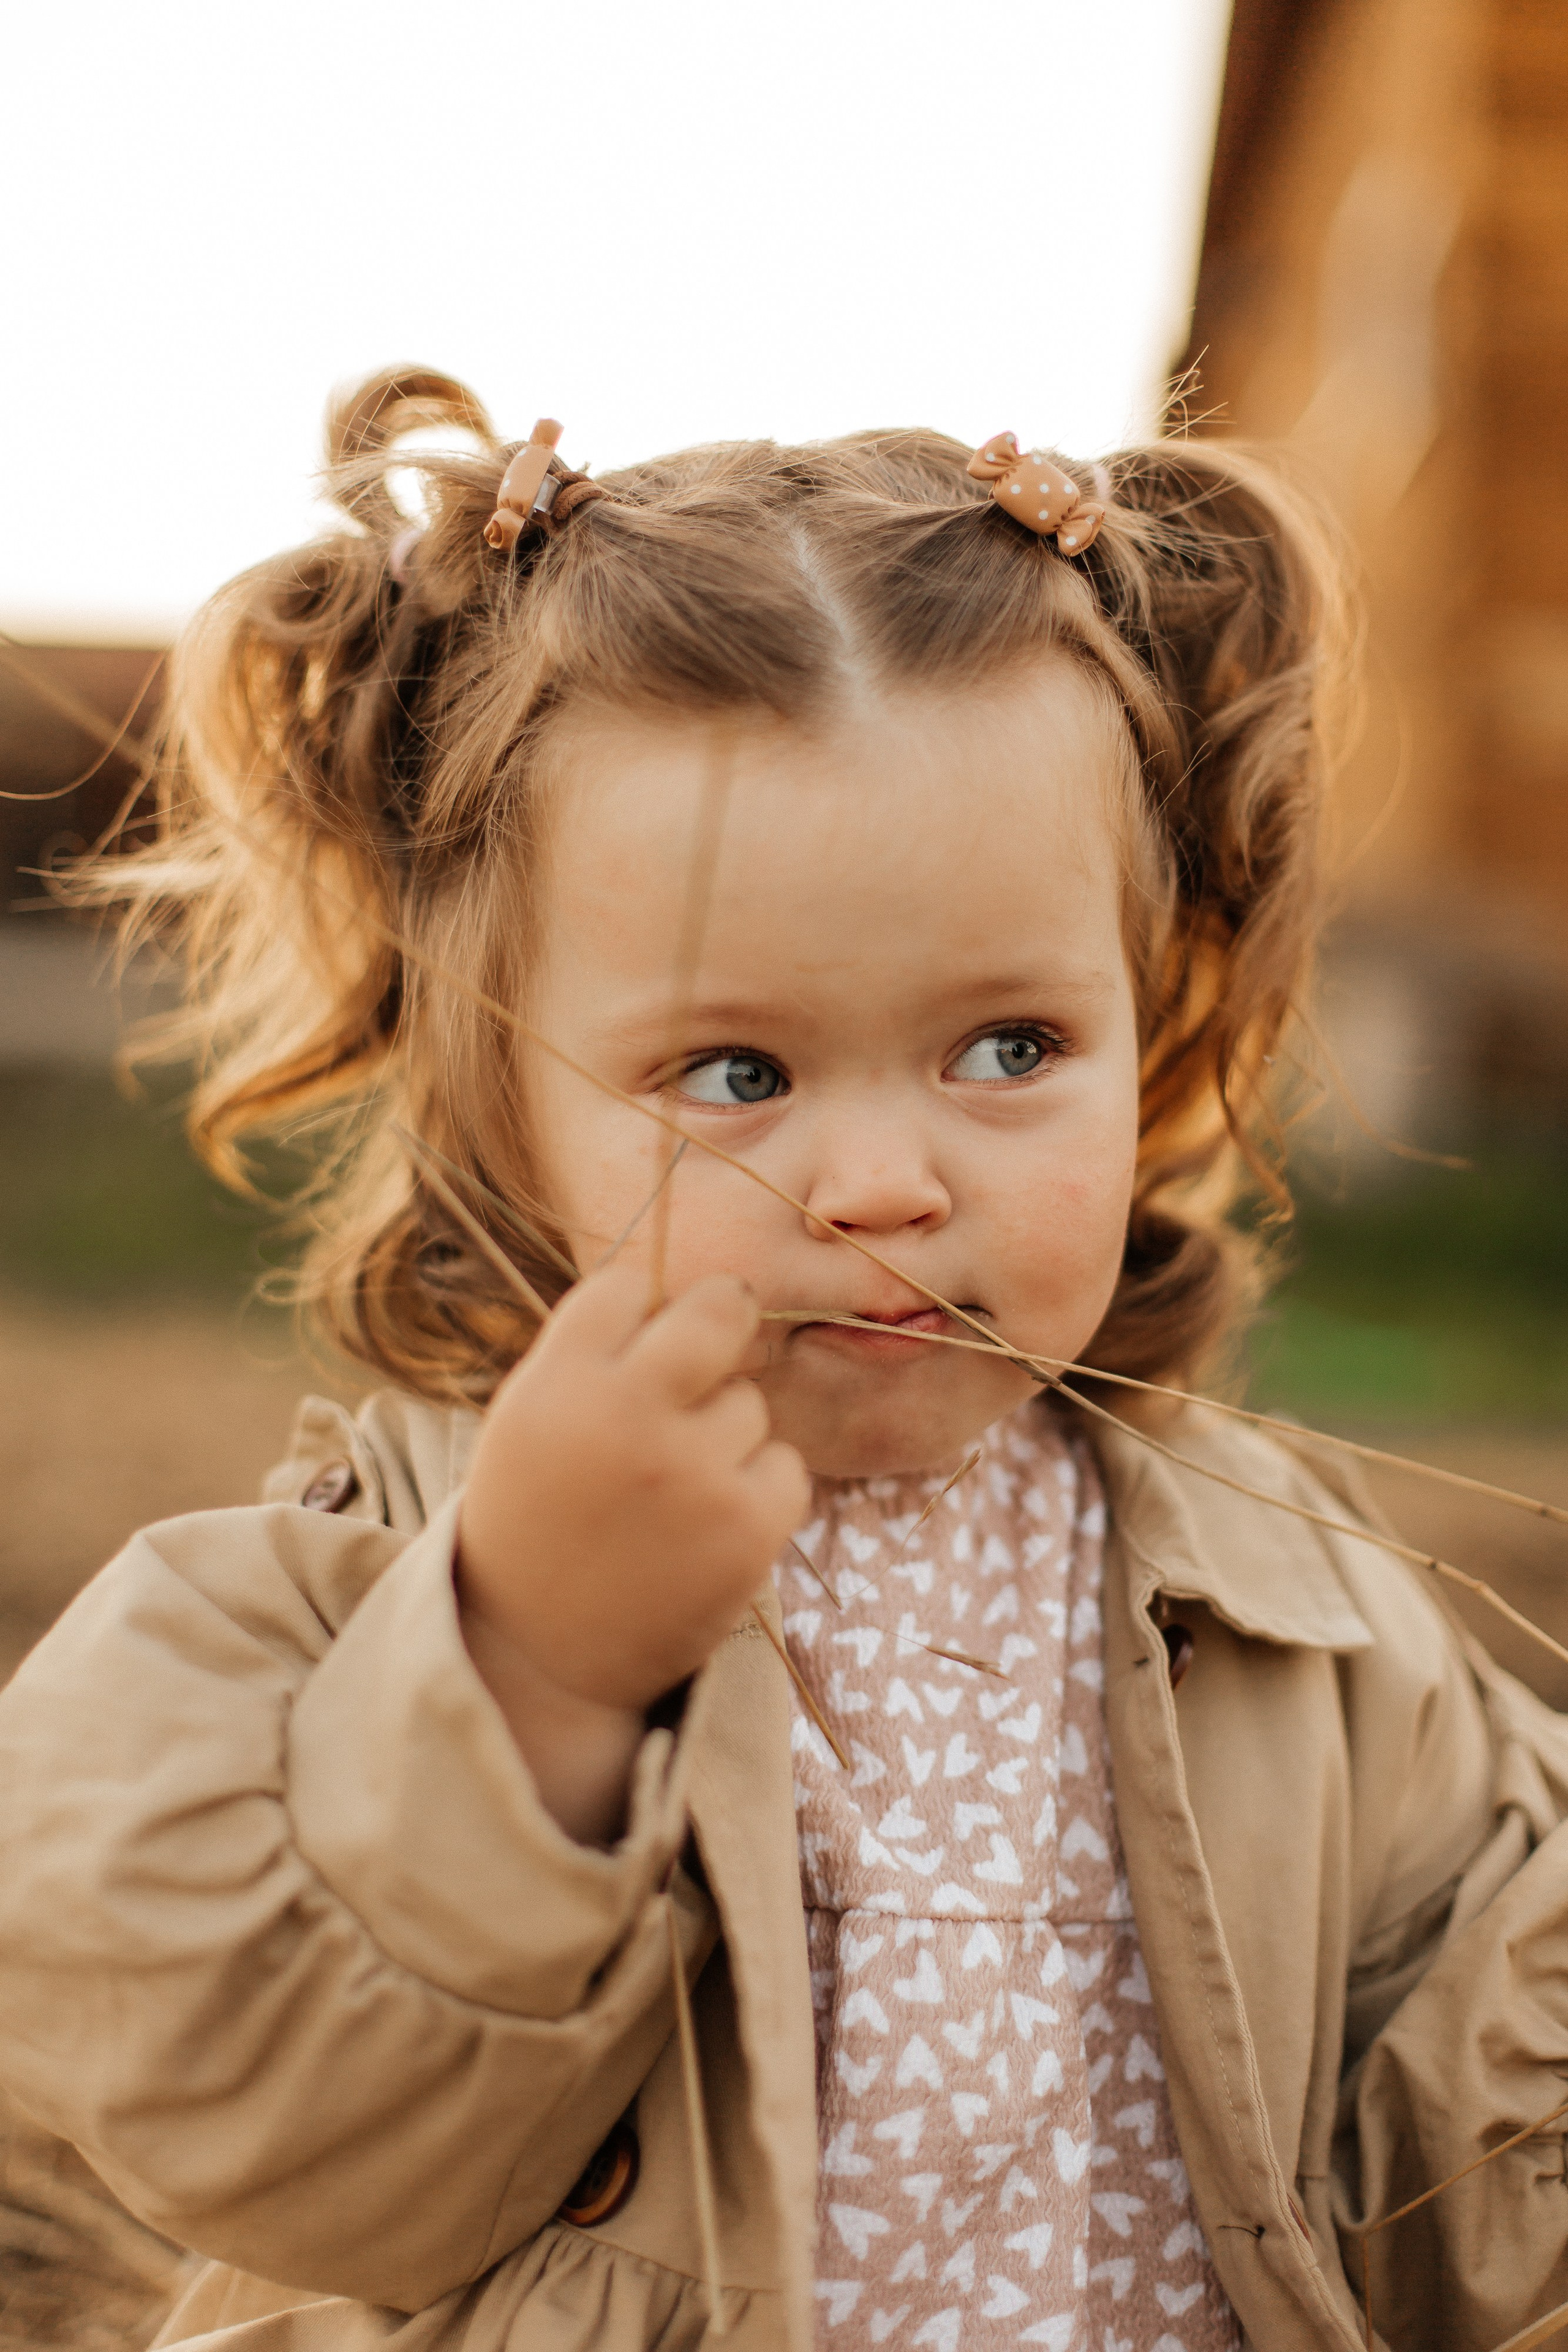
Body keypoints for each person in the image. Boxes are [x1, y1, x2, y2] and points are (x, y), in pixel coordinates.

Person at [0, 372, 1564, 2352]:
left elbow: (1466, 2177)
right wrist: (533, 1672)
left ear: (1152, 1021)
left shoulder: (1305, 1616)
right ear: (504, 1111)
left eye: (1009, 1048)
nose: (887, 1183)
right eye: (736, 1074)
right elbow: (270, 2139)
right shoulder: (370, 1579)